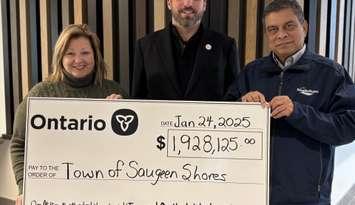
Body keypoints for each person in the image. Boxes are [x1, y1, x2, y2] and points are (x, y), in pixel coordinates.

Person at [229, 0, 355, 204]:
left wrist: (298, 112)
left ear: (304, 27)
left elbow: (348, 128)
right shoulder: (251, 72)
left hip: (306, 197)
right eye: (273, 29)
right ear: (267, 35)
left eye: (289, 26)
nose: (281, 35)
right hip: (253, 192)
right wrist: (242, 105)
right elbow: (222, 118)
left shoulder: (331, 74)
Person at [10, 24, 126, 205]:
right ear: (60, 57)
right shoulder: (41, 94)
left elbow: (131, 148)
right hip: (53, 194)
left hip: (104, 194)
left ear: (95, 55)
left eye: (85, 53)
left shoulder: (113, 90)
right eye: (70, 53)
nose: (78, 60)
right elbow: (19, 144)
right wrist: (25, 187)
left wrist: (122, 113)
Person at [131, 0, 240, 100]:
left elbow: (234, 99)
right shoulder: (145, 46)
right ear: (169, 3)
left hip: (208, 121)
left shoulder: (226, 46)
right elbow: (137, 102)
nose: (188, 4)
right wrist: (117, 104)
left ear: (205, 4)